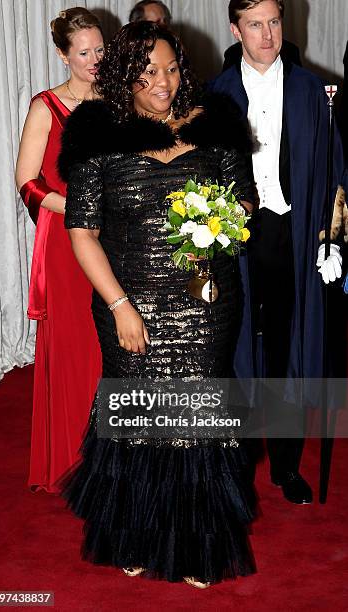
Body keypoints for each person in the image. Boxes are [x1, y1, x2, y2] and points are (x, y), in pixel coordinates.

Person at [58, 21, 257, 588]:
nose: (163, 83)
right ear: (125, 74)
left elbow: (244, 200)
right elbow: (83, 233)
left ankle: (197, 545)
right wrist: (121, 305)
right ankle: (133, 533)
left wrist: (220, 220)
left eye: (170, 69)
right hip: (130, 305)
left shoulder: (214, 123)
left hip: (204, 303)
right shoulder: (97, 132)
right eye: (148, 73)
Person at [211, 0, 345, 504]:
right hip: (239, 238)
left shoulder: (316, 91)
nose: (266, 35)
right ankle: (239, 463)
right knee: (239, 346)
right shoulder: (215, 95)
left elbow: (337, 174)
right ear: (235, 29)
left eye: (273, 22)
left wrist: (333, 236)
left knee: (290, 347)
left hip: (295, 233)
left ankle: (286, 466)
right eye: (254, 25)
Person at [15, 8, 103, 493]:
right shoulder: (46, 106)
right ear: (63, 55)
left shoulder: (118, 102)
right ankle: (73, 462)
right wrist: (78, 207)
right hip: (66, 240)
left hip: (110, 238)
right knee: (74, 348)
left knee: (110, 345)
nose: (94, 58)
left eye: (99, 49)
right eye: (83, 51)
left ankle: (111, 455)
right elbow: (25, 181)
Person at [222, 38, 301, 72]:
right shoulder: (232, 54)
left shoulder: (291, 51)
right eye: (255, 25)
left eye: (273, 22)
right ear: (236, 31)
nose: (268, 35)